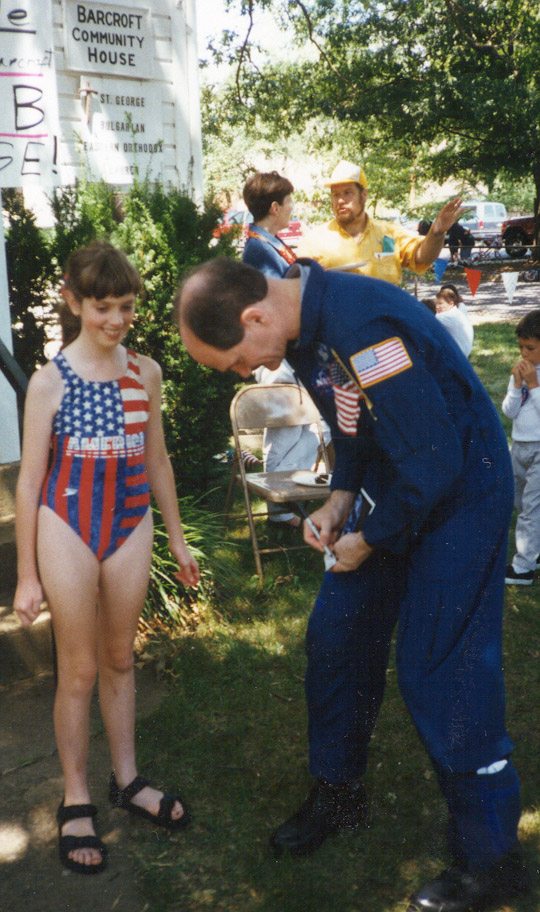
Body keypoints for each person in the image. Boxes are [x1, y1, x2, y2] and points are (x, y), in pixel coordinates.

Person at [175, 257, 528, 912]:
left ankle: (492, 861)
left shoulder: (361, 324)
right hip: (404, 484)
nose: (241, 372)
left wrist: (367, 539)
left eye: (231, 360)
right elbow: (356, 423)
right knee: (337, 638)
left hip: (460, 495)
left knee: (441, 670)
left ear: (255, 317)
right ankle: (339, 797)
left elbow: (435, 458)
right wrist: (339, 501)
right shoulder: (305, 328)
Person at [13, 241, 199, 875]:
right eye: (101, 307)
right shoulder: (49, 381)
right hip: (66, 523)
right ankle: (76, 796)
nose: (115, 319)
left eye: (124, 306)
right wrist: (27, 574)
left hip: (129, 522)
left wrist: (176, 538)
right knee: (80, 669)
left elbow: (158, 462)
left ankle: (127, 781)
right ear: (73, 302)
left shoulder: (144, 371)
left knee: (121, 657)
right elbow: (30, 482)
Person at [243, 170, 330, 527]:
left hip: (292, 349)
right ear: (276, 207)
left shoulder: (271, 243)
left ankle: (289, 498)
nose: (293, 209)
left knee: (309, 424)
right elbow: (277, 301)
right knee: (284, 425)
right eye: (290, 202)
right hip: (276, 353)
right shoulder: (258, 249)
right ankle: (278, 507)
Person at [295, 160, 465, 283]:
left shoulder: (388, 235)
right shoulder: (314, 241)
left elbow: (422, 256)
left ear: (364, 195)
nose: (340, 200)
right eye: (335, 194)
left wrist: (437, 233)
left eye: (347, 193)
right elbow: (297, 286)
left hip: (385, 330)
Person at [502, 310, 540, 585]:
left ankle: (523, 568)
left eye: (531, 348)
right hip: (520, 445)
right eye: (521, 348)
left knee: (531, 508)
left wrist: (533, 385)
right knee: (519, 499)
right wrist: (517, 386)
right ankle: (534, 549)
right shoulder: (520, 371)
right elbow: (509, 411)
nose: (524, 354)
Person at [435, 287, 474, 357]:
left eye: (440, 303)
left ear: (451, 304)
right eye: (436, 303)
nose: (437, 307)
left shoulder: (446, 316)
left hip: (457, 355)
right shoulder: (456, 312)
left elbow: (426, 322)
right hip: (464, 352)